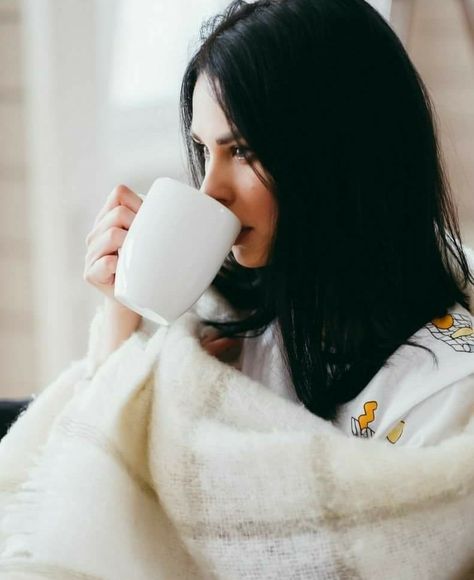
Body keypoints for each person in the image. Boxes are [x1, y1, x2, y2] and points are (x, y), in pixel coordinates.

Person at [84, 0, 474, 448]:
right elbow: (101, 490)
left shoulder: (446, 393)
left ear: (338, 158)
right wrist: (122, 315)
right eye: (205, 151)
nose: (211, 190)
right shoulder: (226, 327)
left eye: (243, 151)